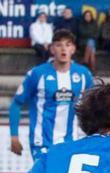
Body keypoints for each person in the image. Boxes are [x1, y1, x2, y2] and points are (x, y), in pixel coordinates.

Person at [10, 29, 94, 164]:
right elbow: (16, 103)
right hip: (42, 142)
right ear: (52, 49)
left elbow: (95, 106)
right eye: (59, 45)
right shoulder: (37, 74)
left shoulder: (84, 75)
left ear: (73, 49)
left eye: (67, 45)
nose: (63, 49)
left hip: (72, 141)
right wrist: (14, 136)